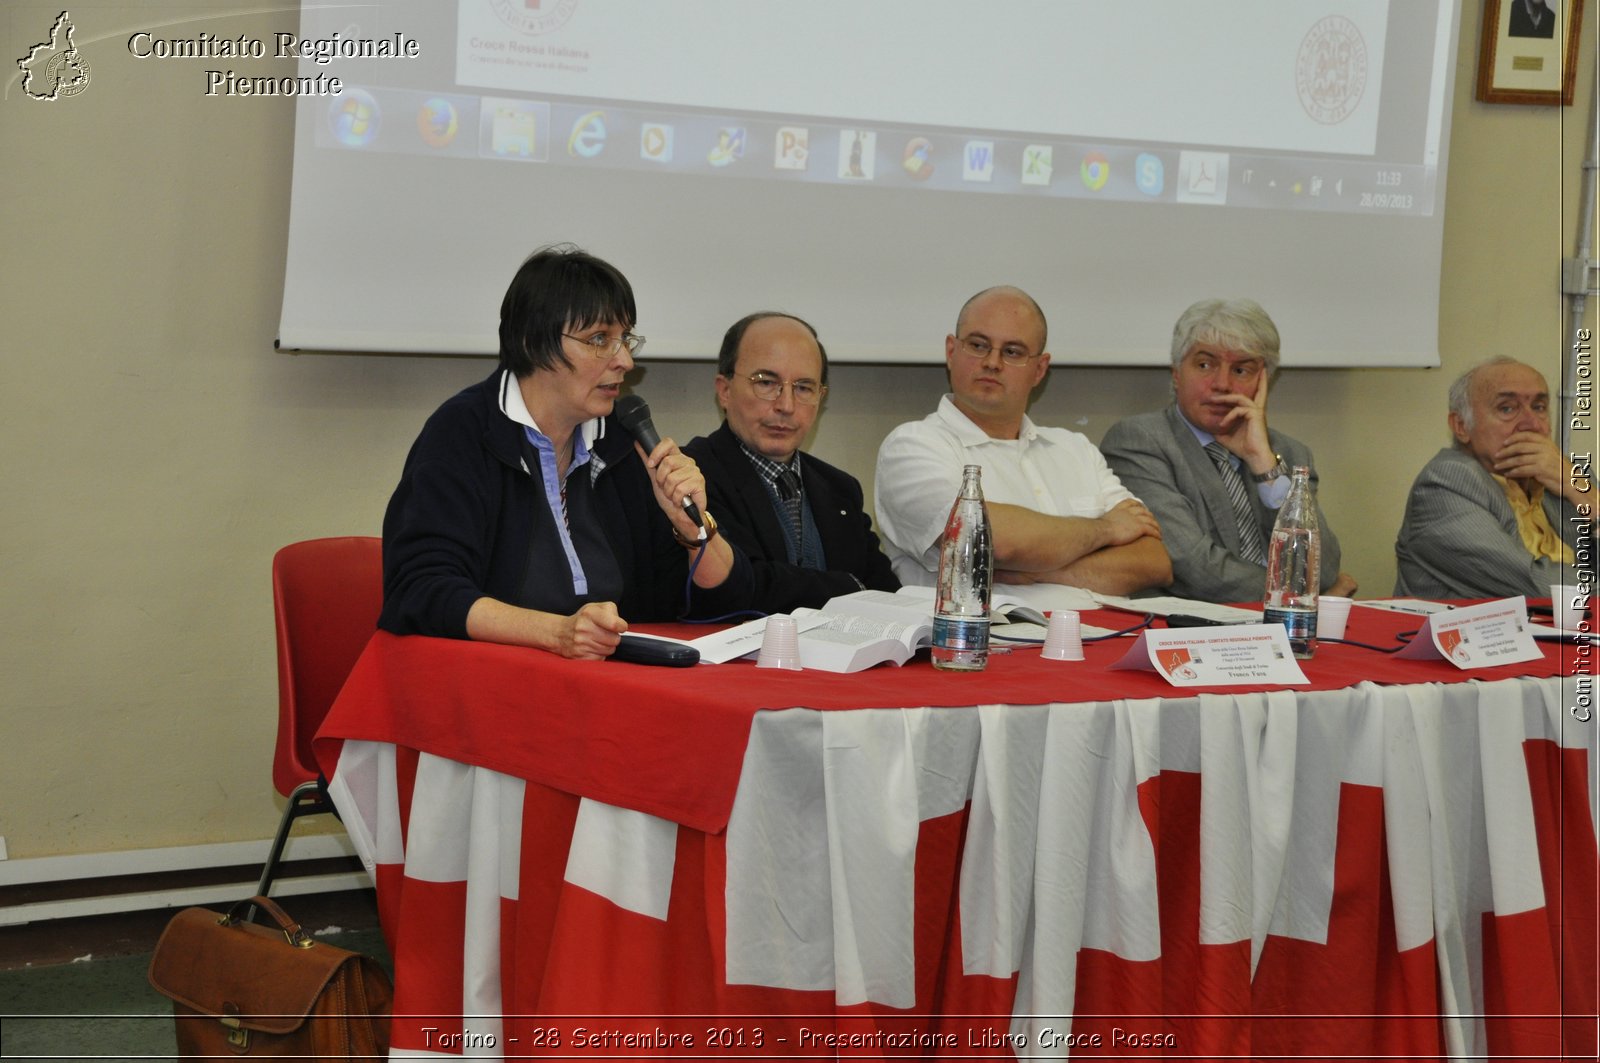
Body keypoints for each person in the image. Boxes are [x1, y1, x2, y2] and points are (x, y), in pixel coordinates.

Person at [378, 244, 752, 658]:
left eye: (624, 339)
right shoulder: (464, 433)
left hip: (609, 686)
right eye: (599, 339)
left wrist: (692, 530)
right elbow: (420, 589)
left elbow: (719, 606)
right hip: (490, 682)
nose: (625, 360)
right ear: (533, 343)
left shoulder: (621, 441)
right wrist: (556, 634)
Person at [875, 286, 1171, 594]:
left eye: (1012, 352)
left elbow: (1153, 562)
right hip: (991, 638)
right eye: (978, 345)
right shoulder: (912, 446)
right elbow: (992, 539)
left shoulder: (1076, 449)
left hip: (1106, 635)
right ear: (952, 351)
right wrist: (1107, 528)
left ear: (1039, 369)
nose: (992, 362)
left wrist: (1038, 574)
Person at [1101, 298, 1356, 603]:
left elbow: (1323, 569)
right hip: (1193, 633)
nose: (1222, 384)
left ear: (1264, 380)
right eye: (1205, 364)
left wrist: (1264, 465)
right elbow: (1193, 568)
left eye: (1241, 369)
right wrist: (1301, 595)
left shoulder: (1290, 453)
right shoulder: (1140, 441)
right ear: (1176, 373)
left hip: (1281, 632)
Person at [684, 312, 899, 612]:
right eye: (767, 382)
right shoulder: (693, 474)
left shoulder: (840, 488)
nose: (786, 406)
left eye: (803, 388)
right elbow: (742, 587)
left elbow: (887, 594)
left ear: (821, 397)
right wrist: (849, 587)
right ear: (725, 390)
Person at [1394, 356, 1590, 599]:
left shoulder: (1568, 474)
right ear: (1461, 426)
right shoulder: (1446, 483)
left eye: (1539, 407)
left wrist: (1588, 497)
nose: (1531, 424)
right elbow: (1536, 585)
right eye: (1507, 408)